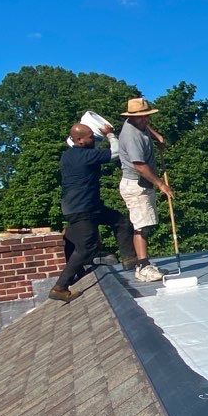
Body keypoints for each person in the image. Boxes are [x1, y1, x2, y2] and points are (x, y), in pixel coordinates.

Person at [49, 122, 134, 303]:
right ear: (80, 140)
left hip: (81, 207)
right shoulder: (86, 156)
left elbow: (90, 148)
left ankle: (129, 259)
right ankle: (60, 287)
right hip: (83, 209)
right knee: (85, 248)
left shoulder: (68, 156)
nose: (94, 139)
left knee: (120, 221)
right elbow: (116, 153)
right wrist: (110, 135)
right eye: (91, 137)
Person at [115, 96, 172, 283]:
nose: (145, 119)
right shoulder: (132, 136)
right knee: (141, 226)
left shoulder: (139, 124)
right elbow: (139, 166)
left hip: (142, 184)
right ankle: (142, 267)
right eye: (141, 116)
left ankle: (144, 263)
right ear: (131, 117)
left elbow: (146, 127)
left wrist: (157, 137)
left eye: (147, 115)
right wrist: (161, 184)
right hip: (136, 185)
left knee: (145, 223)